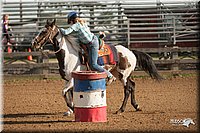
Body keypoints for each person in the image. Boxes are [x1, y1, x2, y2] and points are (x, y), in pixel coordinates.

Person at [60, 11, 116, 85]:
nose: (70, 23)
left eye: (70, 21)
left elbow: (65, 32)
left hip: (92, 44)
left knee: (93, 65)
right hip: (92, 42)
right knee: (90, 63)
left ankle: (110, 75)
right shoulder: (82, 23)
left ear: (71, 20)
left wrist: (58, 29)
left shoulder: (76, 26)